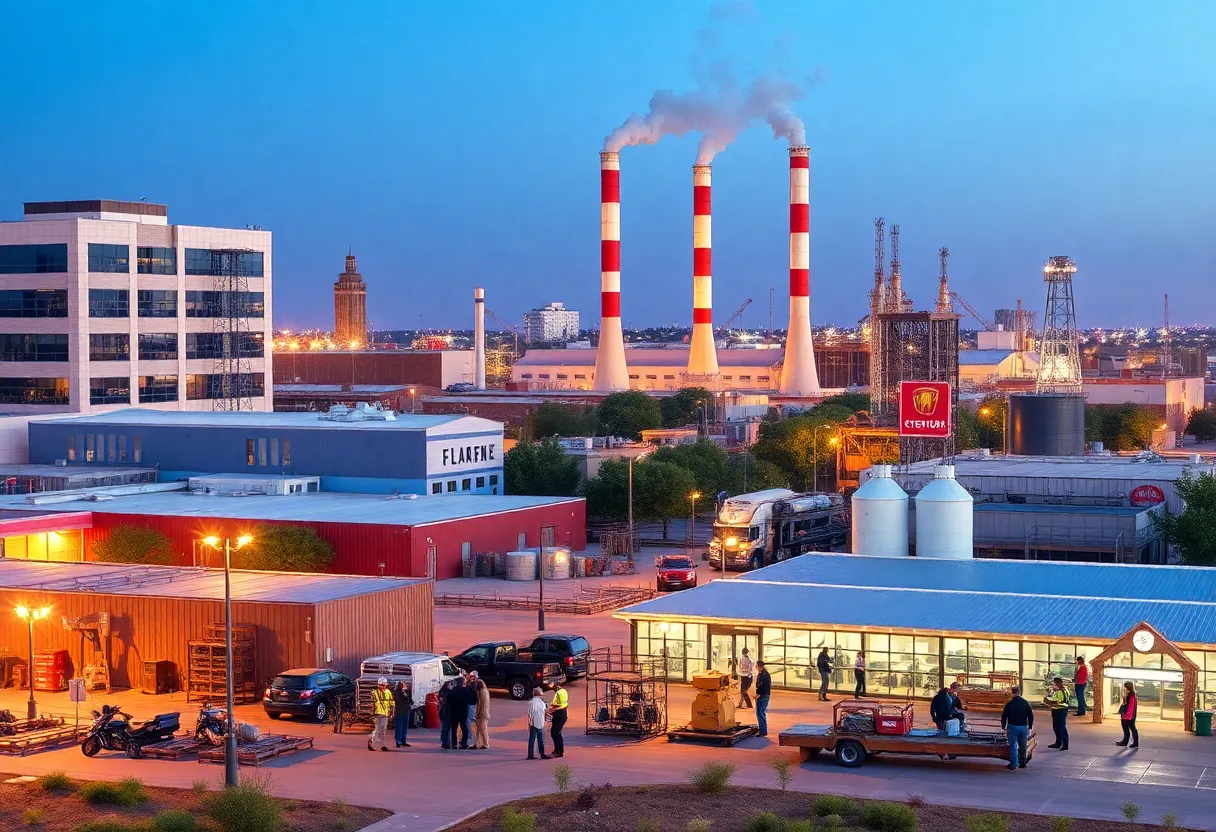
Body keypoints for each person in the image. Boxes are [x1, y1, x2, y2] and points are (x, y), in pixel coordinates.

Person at [1000, 685, 1034, 770]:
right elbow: (1030, 716)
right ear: (1019, 692)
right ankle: (1023, 763)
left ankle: (1014, 764)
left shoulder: (1009, 704)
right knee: (1023, 746)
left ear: (1012, 693)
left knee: (1013, 746)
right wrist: (1030, 727)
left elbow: (1004, 716)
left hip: (1012, 727)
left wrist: (1003, 726)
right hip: (1023, 727)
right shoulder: (1026, 703)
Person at [1044, 676, 1070, 750]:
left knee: (1061, 727)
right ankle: (1059, 743)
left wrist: (1048, 701)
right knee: (1057, 727)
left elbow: (1056, 701)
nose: (1053, 685)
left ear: (1056, 683)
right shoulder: (1065, 690)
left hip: (1059, 710)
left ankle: (1064, 744)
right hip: (1060, 710)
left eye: (1053, 683)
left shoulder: (1059, 692)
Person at [368, 677, 392, 752]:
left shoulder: (388, 692)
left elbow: (391, 702)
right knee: (378, 729)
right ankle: (372, 740)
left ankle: (382, 745)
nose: (383, 686)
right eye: (382, 685)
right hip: (377, 713)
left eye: (384, 685)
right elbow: (372, 703)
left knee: (383, 729)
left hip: (385, 714)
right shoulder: (374, 692)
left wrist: (391, 712)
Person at [449, 676, 473, 749]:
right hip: (463, 712)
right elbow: (473, 701)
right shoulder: (466, 691)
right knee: (464, 727)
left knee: (454, 728)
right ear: (463, 682)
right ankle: (464, 742)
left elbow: (448, 701)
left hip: (454, 712)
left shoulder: (453, 691)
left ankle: (454, 743)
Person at [526, 687, 550, 760]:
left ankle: (530, 755)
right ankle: (542, 754)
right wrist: (545, 719)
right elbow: (546, 712)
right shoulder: (543, 702)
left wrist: (530, 722)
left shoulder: (531, 702)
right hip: (540, 722)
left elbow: (529, 714)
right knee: (540, 740)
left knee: (532, 739)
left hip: (533, 723)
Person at [548, 679, 569, 757]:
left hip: (560, 714)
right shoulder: (562, 691)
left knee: (555, 733)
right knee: (557, 733)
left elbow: (560, 705)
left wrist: (551, 709)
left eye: (552, 685)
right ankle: (559, 750)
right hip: (561, 713)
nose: (550, 686)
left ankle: (558, 751)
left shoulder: (560, 692)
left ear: (556, 685)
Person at [1116, 681, 1139, 748]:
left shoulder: (1132, 695)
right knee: (1126, 729)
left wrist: (1128, 715)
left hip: (1129, 716)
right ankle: (1124, 741)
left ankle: (1135, 743)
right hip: (1126, 715)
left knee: (1132, 729)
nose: (1123, 687)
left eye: (1124, 686)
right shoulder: (1128, 694)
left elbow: (1131, 706)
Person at [392, 680, 412, 749]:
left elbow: (410, 700)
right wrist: (403, 693)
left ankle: (403, 740)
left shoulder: (406, 692)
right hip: (399, 711)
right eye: (402, 685)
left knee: (404, 726)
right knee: (399, 726)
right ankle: (398, 741)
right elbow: (398, 700)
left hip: (406, 711)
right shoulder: (397, 692)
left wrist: (406, 694)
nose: (404, 686)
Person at [754, 660, 772, 737]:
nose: (755, 667)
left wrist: (758, 694)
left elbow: (762, 686)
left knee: (760, 713)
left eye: (756, 666)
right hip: (764, 695)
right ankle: (762, 730)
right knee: (761, 713)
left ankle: (763, 731)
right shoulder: (764, 674)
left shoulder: (764, 675)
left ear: (759, 666)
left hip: (763, 695)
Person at [473, 677, 491, 749]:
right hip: (485, 713)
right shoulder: (486, 691)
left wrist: (476, 714)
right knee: (480, 729)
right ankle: (477, 743)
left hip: (482, 714)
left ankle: (485, 743)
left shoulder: (481, 693)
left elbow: (479, 704)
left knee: (482, 729)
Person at [437, 679, 455, 750]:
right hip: (446, 712)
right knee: (446, 728)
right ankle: (446, 742)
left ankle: (445, 742)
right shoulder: (448, 693)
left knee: (445, 728)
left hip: (444, 712)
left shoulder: (443, 691)